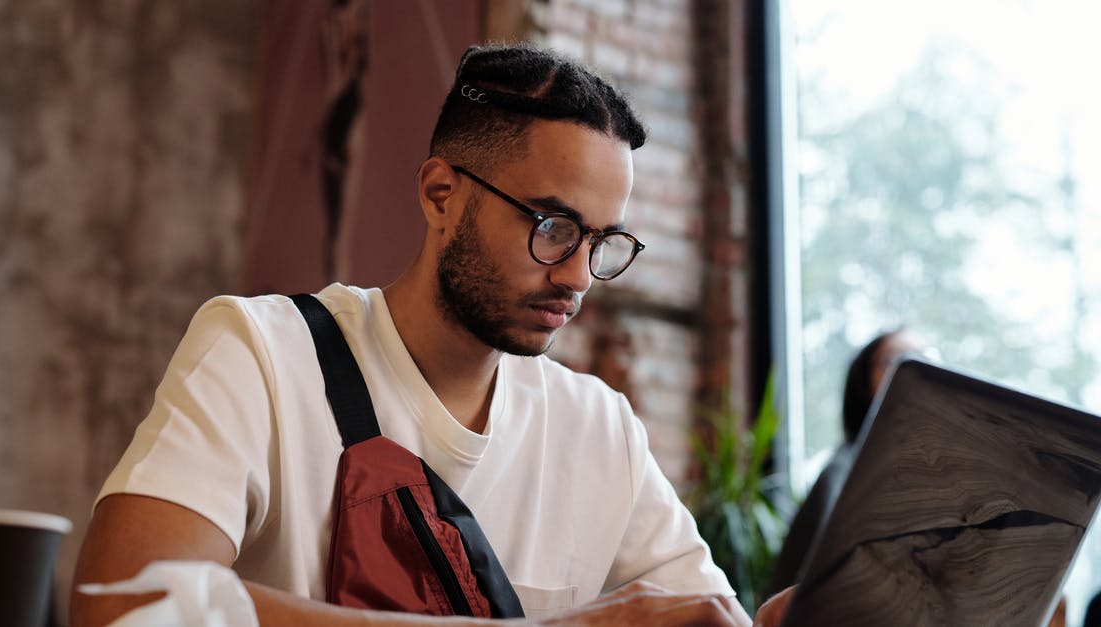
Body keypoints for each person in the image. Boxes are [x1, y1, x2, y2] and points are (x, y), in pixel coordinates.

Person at [70, 44, 793, 626]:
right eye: (553, 226)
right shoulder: (260, 353)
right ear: (440, 194)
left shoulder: (598, 430)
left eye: (602, 241)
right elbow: (123, 603)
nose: (577, 274)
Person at [765, 329, 925, 597]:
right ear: (863, 381)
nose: (913, 371)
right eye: (895, 360)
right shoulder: (845, 473)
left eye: (923, 359)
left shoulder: (928, 474)